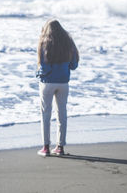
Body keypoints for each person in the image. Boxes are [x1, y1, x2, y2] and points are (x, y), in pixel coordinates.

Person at [36, 19, 79, 156]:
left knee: (46, 114)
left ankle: (46, 148)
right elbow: (74, 65)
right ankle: (60, 147)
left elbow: (44, 67)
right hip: (63, 83)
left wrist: (38, 74)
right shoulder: (68, 42)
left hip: (47, 83)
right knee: (62, 114)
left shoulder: (44, 42)